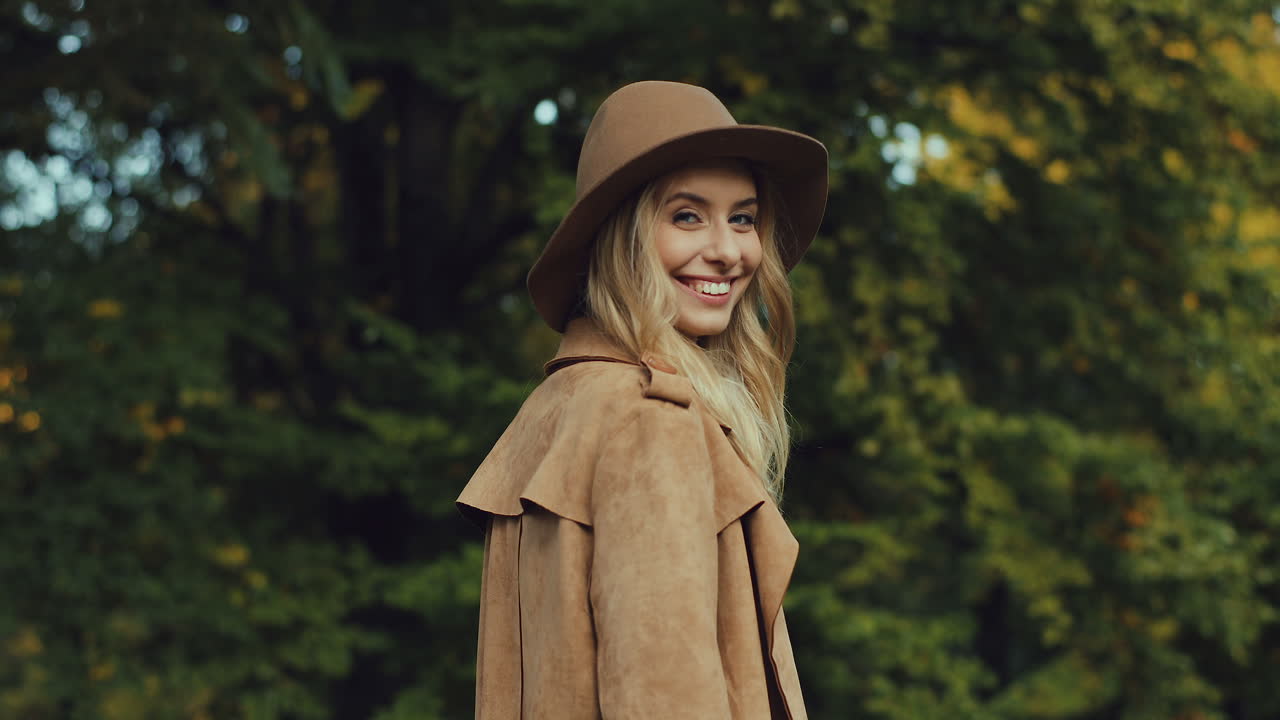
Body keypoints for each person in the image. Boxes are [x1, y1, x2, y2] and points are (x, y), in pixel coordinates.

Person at [456, 80, 829, 720]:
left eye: (742, 217)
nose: (727, 250)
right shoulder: (650, 419)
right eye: (686, 215)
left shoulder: (561, 404)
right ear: (620, 235)